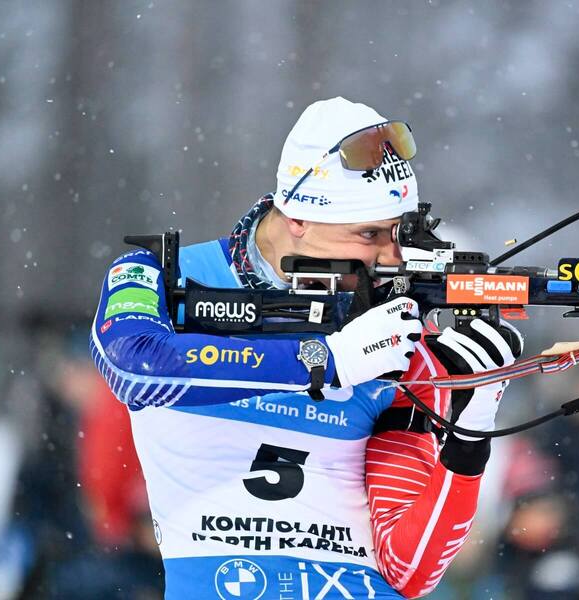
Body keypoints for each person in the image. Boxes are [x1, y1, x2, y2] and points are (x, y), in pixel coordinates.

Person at [90, 97, 523, 599]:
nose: (391, 255)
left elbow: (410, 570)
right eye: (368, 233)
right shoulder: (160, 275)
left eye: (398, 232)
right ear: (297, 218)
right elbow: (134, 367)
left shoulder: (394, 328)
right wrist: (327, 361)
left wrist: (469, 432)